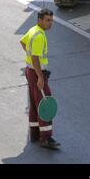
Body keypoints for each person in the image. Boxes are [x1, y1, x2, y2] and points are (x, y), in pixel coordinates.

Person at [20, 9, 61, 150]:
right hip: (37, 73)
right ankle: (46, 137)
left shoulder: (33, 30)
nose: (50, 23)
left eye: (51, 20)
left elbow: (23, 42)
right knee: (46, 103)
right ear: (40, 20)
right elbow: (36, 58)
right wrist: (40, 77)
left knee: (34, 102)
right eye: (48, 20)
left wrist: (30, 57)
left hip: (29, 71)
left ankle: (35, 133)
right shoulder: (39, 36)